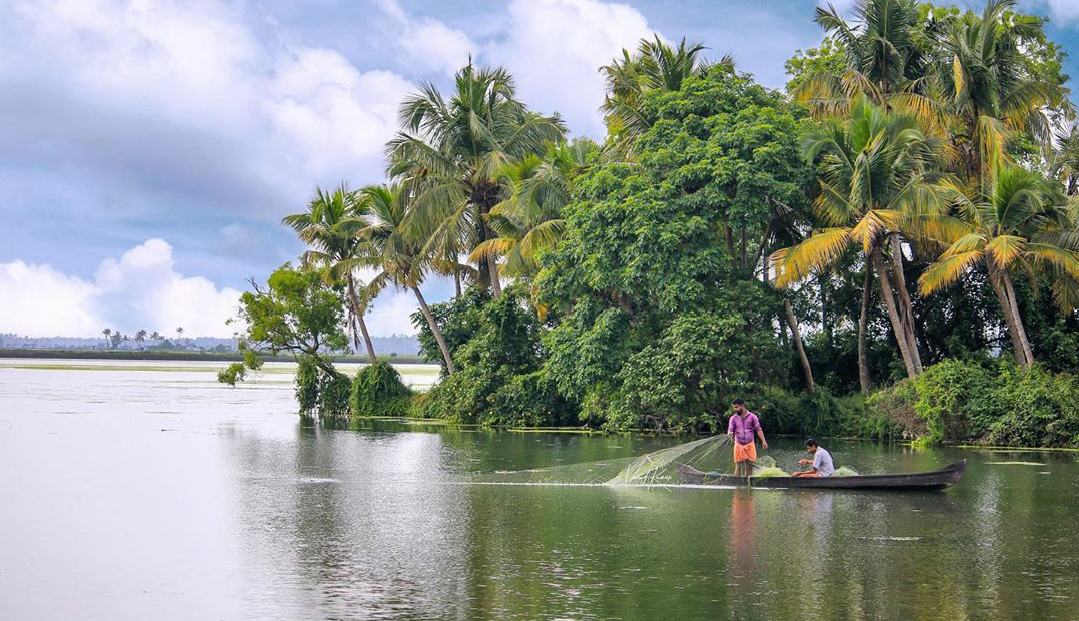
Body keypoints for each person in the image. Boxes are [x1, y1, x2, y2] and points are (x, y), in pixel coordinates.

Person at [727, 398, 767, 477]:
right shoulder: (733, 418)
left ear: (742, 406)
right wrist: (730, 433)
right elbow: (730, 429)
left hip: (749, 443)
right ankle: (736, 483)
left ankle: (747, 482)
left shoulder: (752, 417)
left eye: (736, 407)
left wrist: (763, 441)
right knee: (738, 465)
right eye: (734, 407)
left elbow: (758, 429)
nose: (735, 409)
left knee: (749, 466)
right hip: (738, 443)